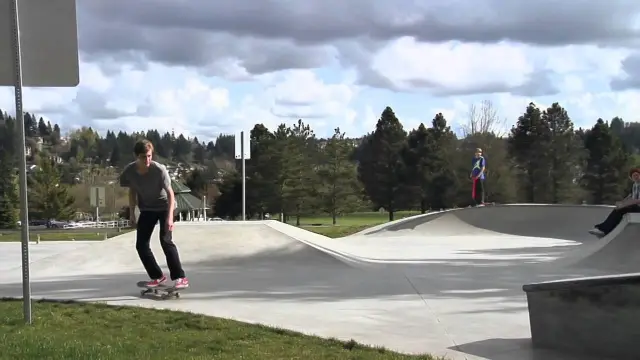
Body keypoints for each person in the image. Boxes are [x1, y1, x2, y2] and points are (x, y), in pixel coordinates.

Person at [119, 139, 189, 289]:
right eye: (143, 157)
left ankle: (180, 277)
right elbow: (132, 191)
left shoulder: (159, 170)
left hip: (165, 207)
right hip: (147, 209)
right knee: (141, 245)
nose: (147, 160)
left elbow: (171, 194)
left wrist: (170, 218)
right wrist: (132, 213)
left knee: (165, 241)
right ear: (136, 156)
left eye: (150, 156)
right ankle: (158, 276)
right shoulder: (129, 171)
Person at [589, 168, 640, 238]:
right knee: (617, 210)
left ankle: (603, 229)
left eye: (637, 175)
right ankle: (605, 229)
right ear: (631, 178)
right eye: (634, 176)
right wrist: (621, 203)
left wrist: (625, 205)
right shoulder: (634, 185)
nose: (636, 177)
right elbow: (630, 196)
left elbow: (638, 200)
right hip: (635, 207)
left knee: (621, 209)